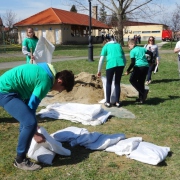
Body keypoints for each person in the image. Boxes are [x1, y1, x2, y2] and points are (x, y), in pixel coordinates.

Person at [0, 63, 74, 171]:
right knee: (29, 122)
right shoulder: (46, 81)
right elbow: (32, 106)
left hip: (11, 89)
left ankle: (25, 146)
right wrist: (35, 133)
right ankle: (20, 160)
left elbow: (30, 106)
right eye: (61, 89)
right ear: (60, 81)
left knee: (28, 121)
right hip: (5, 91)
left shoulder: (46, 71)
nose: (59, 91)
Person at [97, 37, 126, 108]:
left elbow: (101, 60)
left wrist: (99, 71)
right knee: (117, 83)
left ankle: (108, 102)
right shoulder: (118, 45)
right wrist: (123, 66)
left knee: (109, 83)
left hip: (110, 65)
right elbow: (124, 58)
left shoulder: (106, 46)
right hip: (120, 65)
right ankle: (117, 102)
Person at [124, 39, 153, 104]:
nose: (129, 47)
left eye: (129, 46)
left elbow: (132, 63)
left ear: (132, 44)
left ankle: (143, 91)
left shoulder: (132, 51)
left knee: (132, 80)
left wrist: (128, 70)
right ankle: (141, 99)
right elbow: (151, 53)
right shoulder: (142, 48)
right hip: (146, 67)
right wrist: (150, 61)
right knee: (141, 82)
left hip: (138, 67)